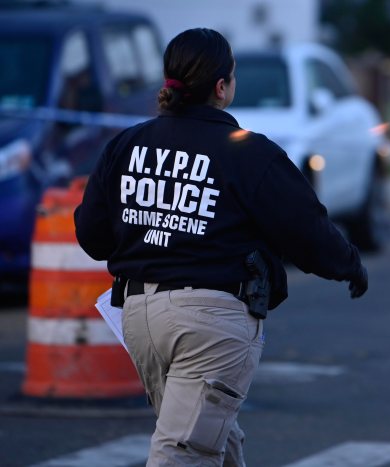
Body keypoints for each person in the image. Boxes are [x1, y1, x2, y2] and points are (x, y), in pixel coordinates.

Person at [74, 28, 368, 467]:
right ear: (221, 86)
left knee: (211, 438)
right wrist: (349, 264)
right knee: (183, 451)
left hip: (139, 317)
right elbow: (305, 229)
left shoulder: (127, 144)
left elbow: (92, 237)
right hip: (211, 323)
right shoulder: (248, 153)